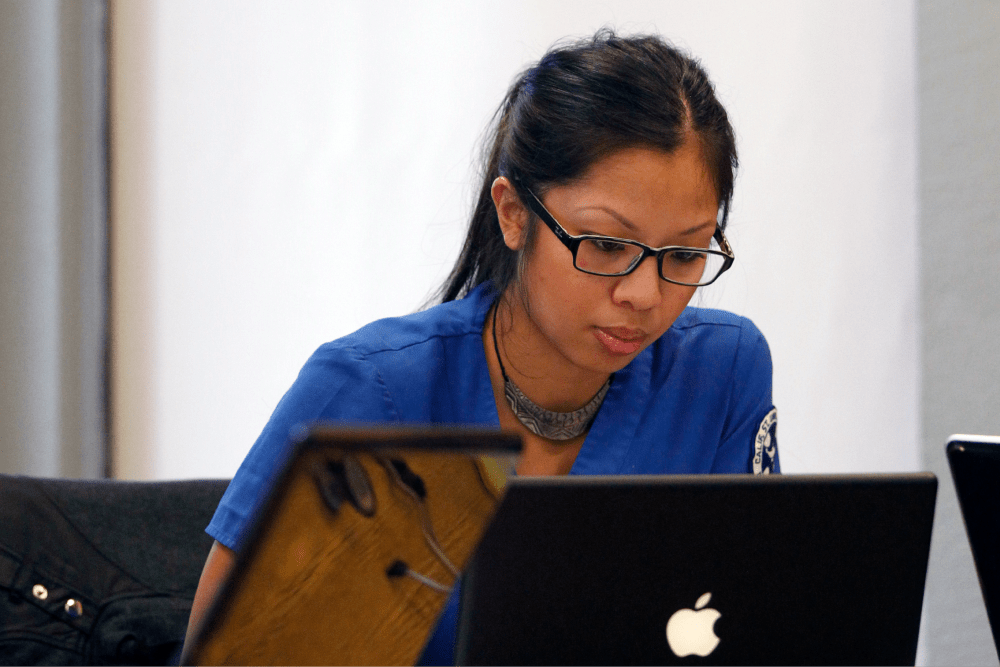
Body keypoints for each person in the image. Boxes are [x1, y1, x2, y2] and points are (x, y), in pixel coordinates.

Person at [183, 29, 779, 665]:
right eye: (606, 245)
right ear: (514, 213)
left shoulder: (722, 371)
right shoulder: (373, 390)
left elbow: (751, 627)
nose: (645, 294)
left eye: (685, 255)